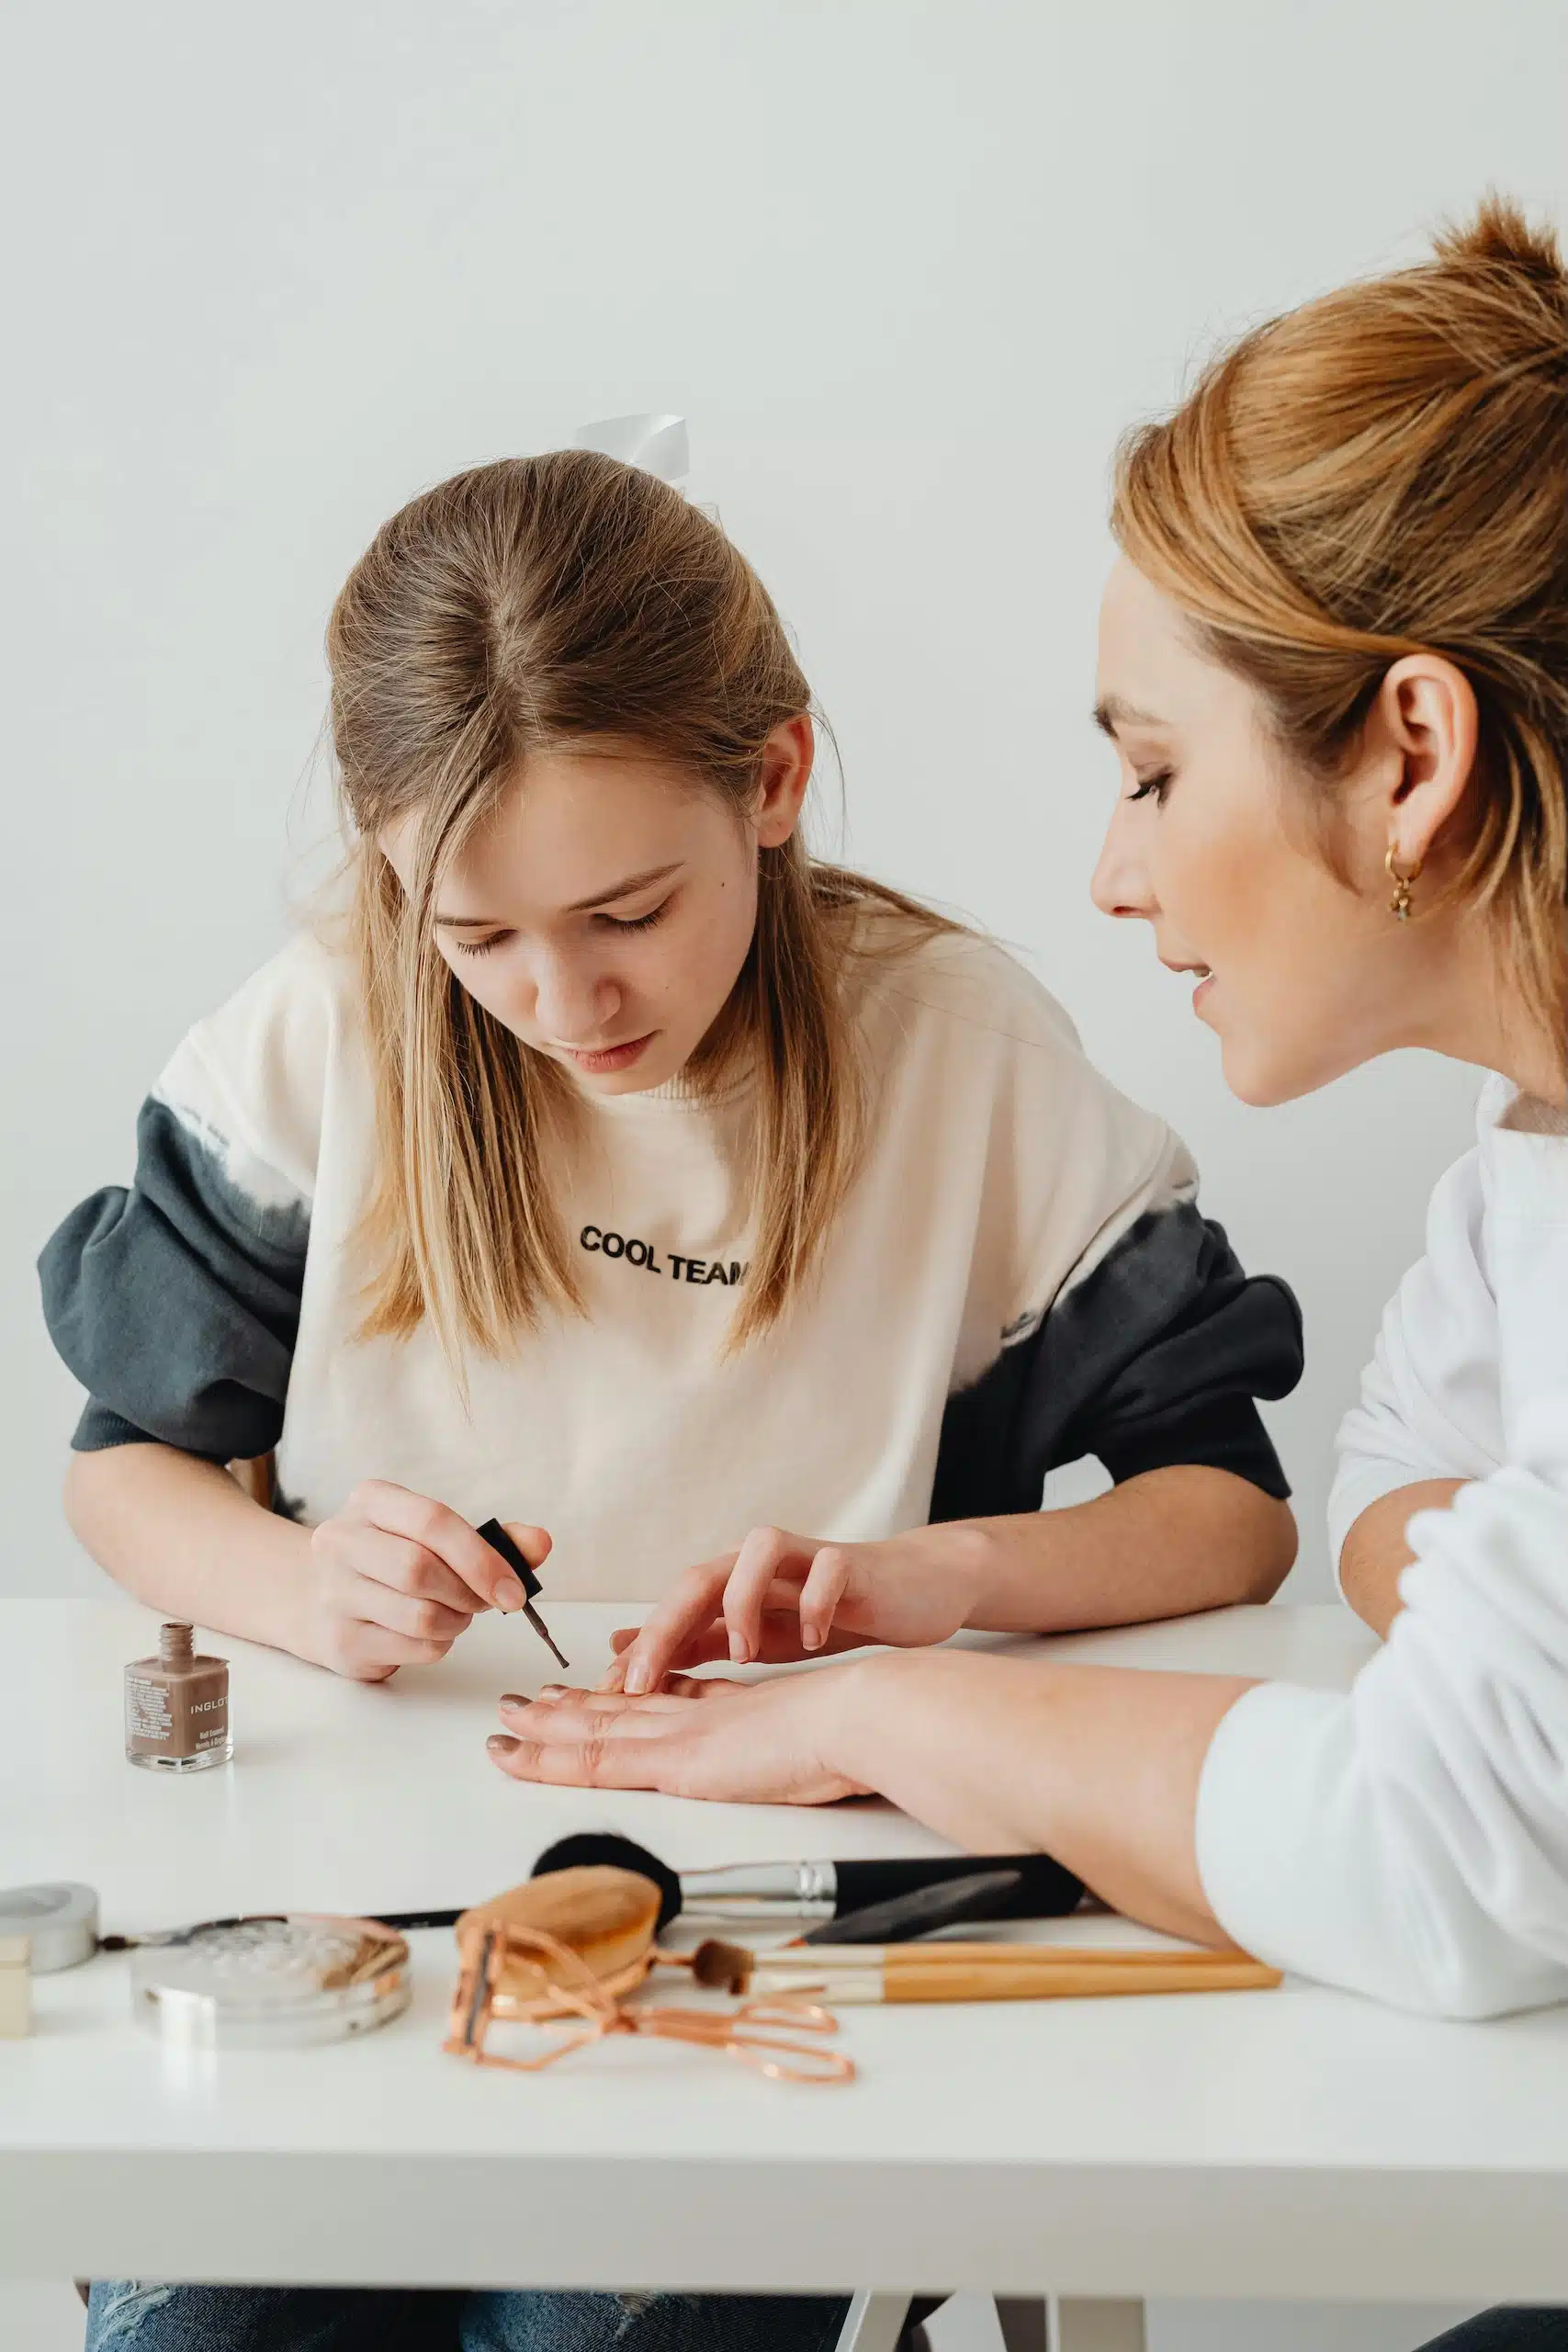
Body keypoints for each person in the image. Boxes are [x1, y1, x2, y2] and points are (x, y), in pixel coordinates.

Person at [42, 448, 1299, 2351]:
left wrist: (928, 1576)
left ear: (774, 779)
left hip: (768, 1923)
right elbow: (125, 1469)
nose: (565, 1000)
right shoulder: (325, 1027)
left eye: (628, 908)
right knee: (192, 2312)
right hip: (344, 1894)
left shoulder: (959, 1056)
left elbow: (1228, 1504)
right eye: (476, 940)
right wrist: (303, 1588)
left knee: (575, 2313)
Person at [490, 204, 1568, 2352]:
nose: (1113, 861)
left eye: (1156, 769)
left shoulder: (972, 1049)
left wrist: (894, 1706)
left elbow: (1444, 1854)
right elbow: (1390, 1477)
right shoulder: (1522, 1140)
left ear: (1413, 758)